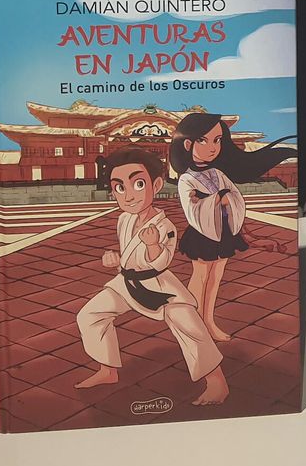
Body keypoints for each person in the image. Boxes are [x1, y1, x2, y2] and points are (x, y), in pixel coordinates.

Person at [74, 147, 228, 407]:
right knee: (89, 315)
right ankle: (107, 370)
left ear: (156, 185)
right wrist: (113, 260)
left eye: (138, 183)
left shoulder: (163, 225)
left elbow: (160, 263)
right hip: (127, 283)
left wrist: (154, 245)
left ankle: (216, 381)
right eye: (119, 187)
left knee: (189, 326)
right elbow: (128, 257)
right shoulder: (124, 219)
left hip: (158, 286)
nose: (128, 195)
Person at [170, 111, 294, 342]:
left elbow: (235, 199)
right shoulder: (186, 178)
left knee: (216, 277)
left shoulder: (217, 172)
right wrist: (218, 199)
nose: (212, 147)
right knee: (201, 277)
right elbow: (193, 208)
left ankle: (208, 320)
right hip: (203, 233)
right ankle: (191, 324)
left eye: (217, 140)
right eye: (203, 140)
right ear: (188, 144)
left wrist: (227, 201)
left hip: (224, 230)